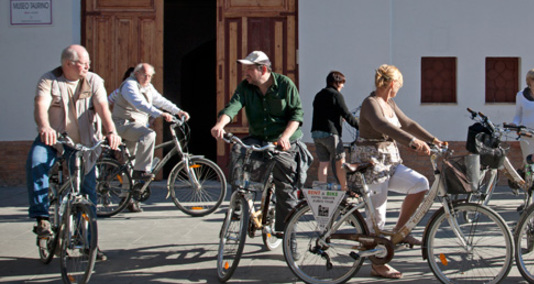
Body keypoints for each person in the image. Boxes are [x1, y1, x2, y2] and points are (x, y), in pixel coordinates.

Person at [26, 44, 121, 260]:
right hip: (54, 140)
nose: (88, 66)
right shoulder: (49, 80)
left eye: (88, 62)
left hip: (83, 145)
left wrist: (112, 132)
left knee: (88, 194)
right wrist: (44, 127)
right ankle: (41, 218)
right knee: (35, 162)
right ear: (68, 64)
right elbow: (40, 105)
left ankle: (89, 245)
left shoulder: (93, 80)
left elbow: (102, 107)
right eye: (83, 63)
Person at [351, 64, 444, 279]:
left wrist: (432, 139)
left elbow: (407, 123)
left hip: (390, 162)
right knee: (377, 217)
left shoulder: (389, 102)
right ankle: (377, 264)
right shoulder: (370, 103)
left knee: (420, 184)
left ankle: (400, 233)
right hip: (371, 163)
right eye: (399, 86)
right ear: (392, 84)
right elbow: (382, 125)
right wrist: (412, 142)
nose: (398, 90)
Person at [210, 50, 308, 234]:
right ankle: (238, 201)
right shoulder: (245, 87)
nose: (244, 73)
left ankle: (287, 235)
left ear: (262, 69)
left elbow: (297, 115)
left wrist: (285, 136)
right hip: (258, 138)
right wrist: (220, 124)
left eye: (248, 69)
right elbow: (233, 106)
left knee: (285, 187)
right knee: (238, 150)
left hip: (283, 140)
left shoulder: (285, 85)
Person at [111, 62, 190, 212]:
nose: (147, 78)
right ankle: (142, 171)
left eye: (150, 76)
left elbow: (160, 100)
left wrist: (178, 111)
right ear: (136, 74)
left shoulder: (148, 87)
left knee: (131, 162)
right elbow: (139, 103)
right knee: (149, 134)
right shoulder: (129, 85)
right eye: (144, 75)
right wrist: (159, 114)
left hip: (137, 125)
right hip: (124, 124)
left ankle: (127, 198)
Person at [311, 71, 359, 190]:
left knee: (323, 164)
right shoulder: (336, 95)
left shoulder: (319, 95)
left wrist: (337, 117)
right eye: (342, 83)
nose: (343, 86)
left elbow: (325, 112)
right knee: (340, 162)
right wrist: (361, 127)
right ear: (337, 82)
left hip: (316, 133)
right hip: (331, 134)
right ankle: (344, 189)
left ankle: (322, 190)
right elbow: (347, 114)